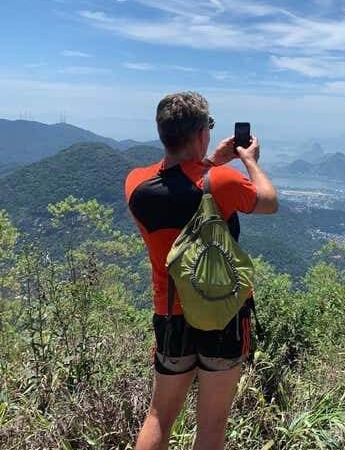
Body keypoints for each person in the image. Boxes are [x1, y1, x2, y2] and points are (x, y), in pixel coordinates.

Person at [125, 92, 278, 450]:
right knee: (211, 423)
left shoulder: (135, 183)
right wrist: (249, 161)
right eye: (208, 126)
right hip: (223, 311)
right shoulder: (221, 181)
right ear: (200, 133)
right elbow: (269, 201)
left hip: (170, 313)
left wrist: (210, 160)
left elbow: (181, 185)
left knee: (159, 415)